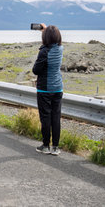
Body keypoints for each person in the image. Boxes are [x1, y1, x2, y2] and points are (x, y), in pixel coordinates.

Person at [32, 24, 64, 156]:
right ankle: (55, 147)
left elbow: (36, 70)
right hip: (57, 87)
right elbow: (53, 39)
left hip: (45, 89)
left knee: (45, 118)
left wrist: (44, 40)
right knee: (56, 117)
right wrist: (46, 30)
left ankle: (45, 146)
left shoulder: (44, 51)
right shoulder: (60, 48)